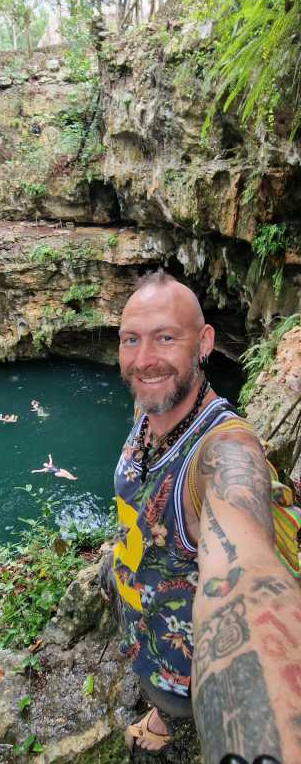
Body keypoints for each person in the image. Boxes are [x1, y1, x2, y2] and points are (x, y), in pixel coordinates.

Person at [107, 269, 301, 763]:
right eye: (132, 340)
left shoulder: (223, 452)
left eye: (165, 338)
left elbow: (246, 571)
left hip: (178, 661)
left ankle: (165, 719)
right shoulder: (151, 409)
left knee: (167, 701)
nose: (145, 359)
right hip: (141, 611)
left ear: (204, 343)